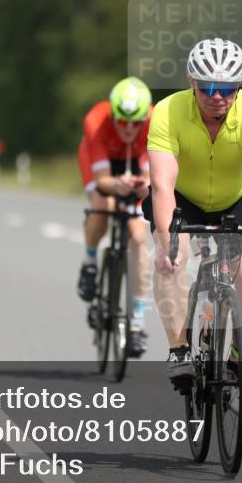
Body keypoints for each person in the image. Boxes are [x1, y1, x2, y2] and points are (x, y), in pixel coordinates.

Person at [144, 38, 242, 414]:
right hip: (183, 197)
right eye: (209, 87)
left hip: (237, 197)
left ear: (238, 87)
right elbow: (162, 185)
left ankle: (238, 361)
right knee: (173, 259)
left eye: (228, 89)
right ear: (191, 82)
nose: (218, 97)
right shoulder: (167, 112)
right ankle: (179, 350)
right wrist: (167, 243)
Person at [77, 77, 154, 357]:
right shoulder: (96, 121)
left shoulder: (156, 121)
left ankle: (137, 321)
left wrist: (143, 185)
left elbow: (152, 175)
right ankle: (89, 264)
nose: (129, 128)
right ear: (113, 115)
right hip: (101, 163)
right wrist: (117, 185)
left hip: (136, 161)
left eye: (136, 123)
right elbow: (102, 180)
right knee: (103, 207)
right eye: (123, 121)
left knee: (138, 237)